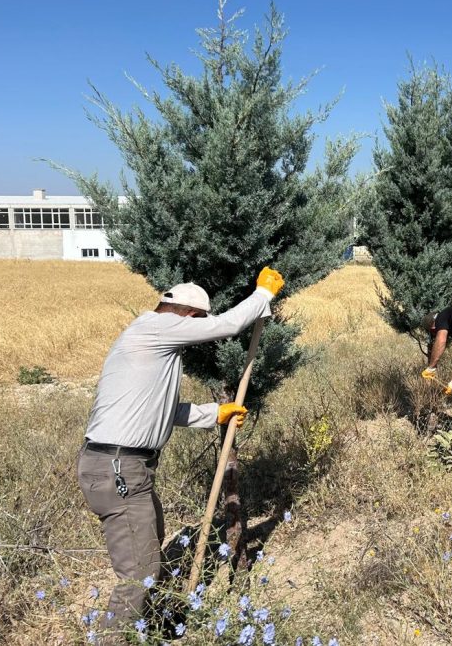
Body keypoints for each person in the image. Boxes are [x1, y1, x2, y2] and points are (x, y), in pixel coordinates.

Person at [77, 267, 285, 636]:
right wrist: (262, 296)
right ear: (189, 316)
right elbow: (226, 326)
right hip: (119, 466)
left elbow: (164, 412)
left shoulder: (151, 350)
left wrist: (214, 414)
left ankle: (150, 629)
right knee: (139, 573)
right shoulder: (154, 327)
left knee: (150, 555)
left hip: (124, 467)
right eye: (197, 322)